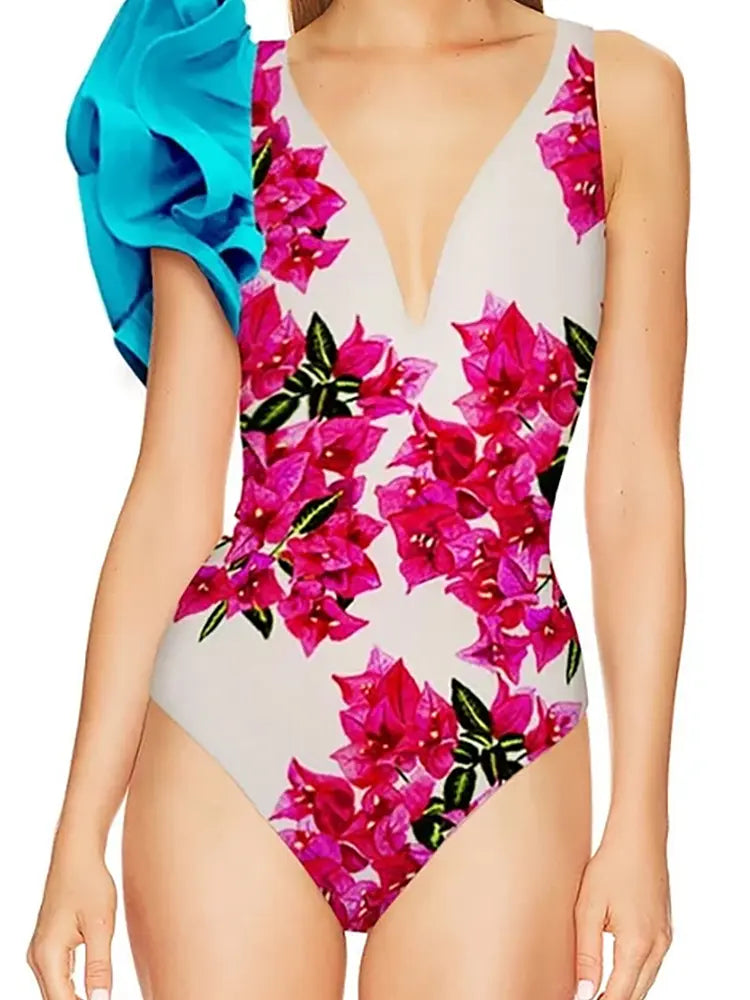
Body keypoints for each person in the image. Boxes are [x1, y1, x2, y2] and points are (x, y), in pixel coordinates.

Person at [28, 1, 688, 998]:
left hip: (504, 743)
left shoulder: (620, 93)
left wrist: (642, 821)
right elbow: (172, 489)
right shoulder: (222, 102)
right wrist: (78, 831)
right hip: (228, 734)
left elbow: (637, 485)